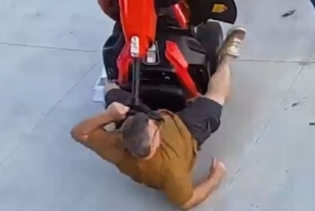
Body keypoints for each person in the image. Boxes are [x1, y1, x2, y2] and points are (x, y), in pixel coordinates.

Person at [71, 26, 247, 210]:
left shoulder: (116, 147)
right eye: (154, 126)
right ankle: (227, 58)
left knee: (111, 91)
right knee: (218, 95)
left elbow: (78, 133)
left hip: (140, 129)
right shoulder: (171, 172)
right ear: (154, 145)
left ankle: (113, 76)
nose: (155, 119)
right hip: (185, 131)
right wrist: (215, 178)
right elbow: (186, 202)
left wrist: (109, 115)